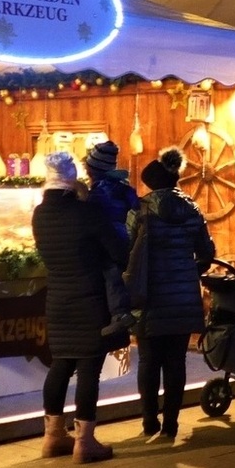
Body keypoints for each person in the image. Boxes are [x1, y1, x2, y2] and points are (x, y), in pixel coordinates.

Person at [31, 152, 129, 462]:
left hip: (58, 301)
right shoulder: (87, 213)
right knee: (88, 369)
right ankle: (85, 442)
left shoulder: (39, 214)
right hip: (89, 300)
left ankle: (53, 437)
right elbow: (119, 252)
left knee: (60, 365)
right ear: (72, 179)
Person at [129, 147, 216, 444]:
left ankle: (149, 421)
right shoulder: (192, 209)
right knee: (176, 362)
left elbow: (126, 249)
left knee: (148, 361)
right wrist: (188, 271)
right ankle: (171, 425)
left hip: (149, 295)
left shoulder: (140, 211)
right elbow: (207, 253)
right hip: (182, 297)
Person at [83, 140, 139, 335]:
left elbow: (92, 217)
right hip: (126, 235)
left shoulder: (99, 192)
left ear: (94, 169)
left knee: (111, 273)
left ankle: (119, 314)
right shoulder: (124, 188)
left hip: (110, 238)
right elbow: (136, 207)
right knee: (117, 274)